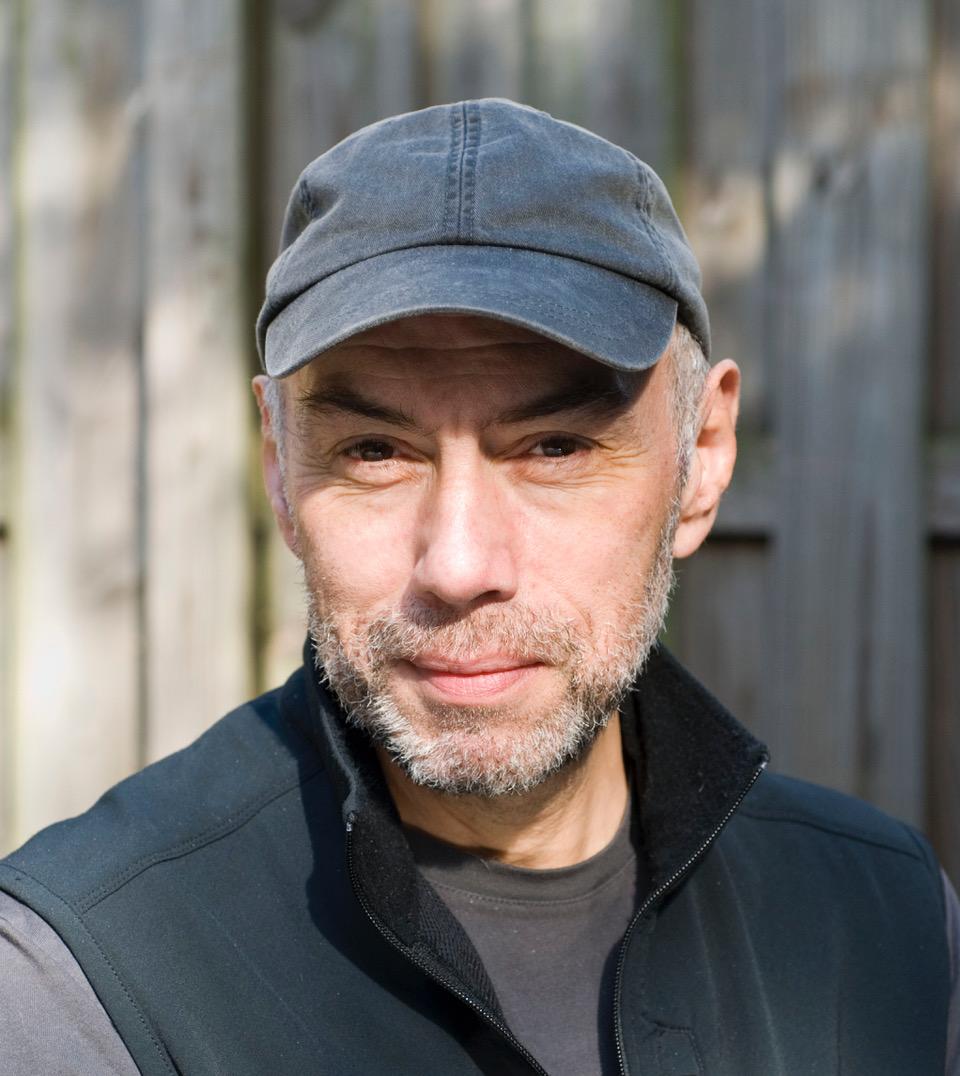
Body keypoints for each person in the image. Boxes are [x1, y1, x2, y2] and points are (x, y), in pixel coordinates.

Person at [0, 99, 957, 1076]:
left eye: (554, 446)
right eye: (374, 450)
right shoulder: (81, 985)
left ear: (701, 457)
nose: (458, 565)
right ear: (281, 471)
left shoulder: (889, 925)